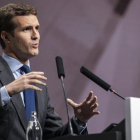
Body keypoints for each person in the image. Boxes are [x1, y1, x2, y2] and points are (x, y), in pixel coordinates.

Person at [0, 3, 100, 140]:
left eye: (37, 28)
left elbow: (54, 136)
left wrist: (79, 121)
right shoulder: (8, 85)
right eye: (26, 29)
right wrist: (6, 91)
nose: (36, 35)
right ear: (6, 37)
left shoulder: (39, 86)